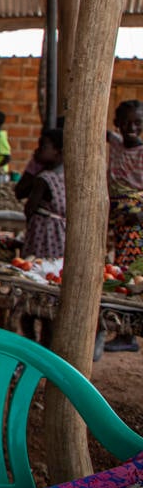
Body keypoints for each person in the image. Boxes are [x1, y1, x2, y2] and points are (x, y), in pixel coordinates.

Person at [106, 100, 143, 352]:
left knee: (130, 275)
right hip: (118, 220)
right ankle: (123, 331)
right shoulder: (116, 143)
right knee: (119, 270)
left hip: (135, 222)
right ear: (117, 123)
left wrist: (137, 216)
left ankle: (128, 335)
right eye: (126, 122)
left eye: (138, 123)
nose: (132, 127)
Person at [16, 128, 65, 260]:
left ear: (57, 151)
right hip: (61, 233)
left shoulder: (43, 179)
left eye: (43, 146)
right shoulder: (65, 176)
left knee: (35, 264)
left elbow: (29, 208)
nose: (37, 150)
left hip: (42, 233)